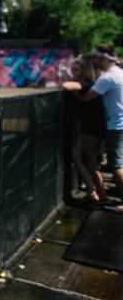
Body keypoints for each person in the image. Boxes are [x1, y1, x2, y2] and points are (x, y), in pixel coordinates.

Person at [64, 44, 123, 213]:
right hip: (113, 124)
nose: (94, 60)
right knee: (94, 162)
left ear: (104, 58)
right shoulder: (118, 73)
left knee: (116, 165)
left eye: (95, 57)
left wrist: (74, 88)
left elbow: (85, 98)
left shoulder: (107, 78)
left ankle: (99, 195)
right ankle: (99, 195)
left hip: (115, 125)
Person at [62, 58, 107, 203]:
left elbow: (67, 86)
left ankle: (96, 193)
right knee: (83, 161)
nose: (73, 72)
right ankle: (95, 193)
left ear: (84, 71)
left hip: (91, 128)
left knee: (89, 163)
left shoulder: (87, 83)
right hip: (89, 127)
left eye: (76, 70)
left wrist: (65, 79)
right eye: (72, 69)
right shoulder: (88, 84)